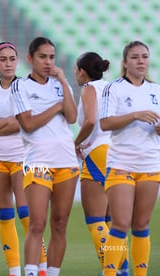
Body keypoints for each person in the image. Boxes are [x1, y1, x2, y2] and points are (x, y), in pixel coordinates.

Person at [0, 42, 47, 276]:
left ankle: (40, 269)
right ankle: (14, 271)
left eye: (11, 59)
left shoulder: (25, 87)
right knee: (5, 216)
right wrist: (7, 122)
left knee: (26, 214)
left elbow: (23, 123)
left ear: (18, 61)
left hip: (21, 157)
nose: (7, 63)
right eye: (2, 59)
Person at [11, 37, 79, 276]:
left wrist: (62, 81)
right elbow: (28, 124)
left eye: (51, 57)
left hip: (66, 162)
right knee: (37, 223)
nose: (48, 62)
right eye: (42, 57)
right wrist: (56, 107)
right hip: (38, 161)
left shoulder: (62, 84)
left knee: (60, 224)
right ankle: (30, 272)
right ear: (30, 59)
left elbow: (72, 117)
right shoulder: (20, 86)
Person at [100, 41, 160, 276]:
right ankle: (110, 272)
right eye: (134, 57)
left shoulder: (156, 91)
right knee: (120, 224)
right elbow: (105, 123)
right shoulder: (113, 88)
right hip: (121, 163)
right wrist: (135, 114)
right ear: (125, 63)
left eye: (144, 56)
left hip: (151, 164)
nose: (141, 61)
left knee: (141, 225)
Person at [73, 52, 112, 272]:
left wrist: (75, 143)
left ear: (82, 71)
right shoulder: (113, 86)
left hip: (97, 153)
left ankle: (110, 269)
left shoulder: (89, 88)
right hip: (117, 152)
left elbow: (89, 120)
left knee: (95, 219)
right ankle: (120, 268)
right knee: (112, 222)